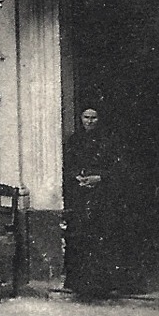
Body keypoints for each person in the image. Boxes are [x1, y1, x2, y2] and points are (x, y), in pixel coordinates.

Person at [63, 105, 133, 298]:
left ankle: (102, 286)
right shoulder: (74, 141)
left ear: (99, 119)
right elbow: (69, 166)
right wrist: (77, 178)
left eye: (94, 117)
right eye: (86, 117)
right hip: (81, 196)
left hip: (104, 197)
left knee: (102, 238)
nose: (89, 121)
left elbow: (119, 169)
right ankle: (81, 285)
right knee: (80, 238)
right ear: (80, 118)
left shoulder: (109, 141)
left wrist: (99, 178)